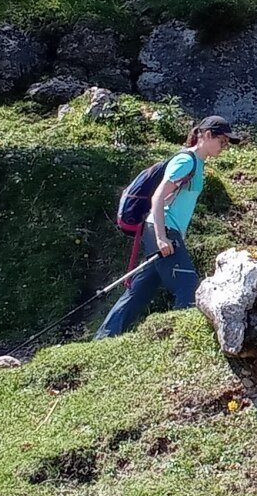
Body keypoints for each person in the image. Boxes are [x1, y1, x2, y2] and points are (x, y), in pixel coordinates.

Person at [96, 115, 236, 339]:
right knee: (187, 285)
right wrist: (161, 237)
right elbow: (158, 196)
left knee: (140, 290)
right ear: (208, 135)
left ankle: (103, 338)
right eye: (223, 141)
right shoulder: (186, 161)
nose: (224, 146)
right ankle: (183, 341)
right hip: (162, 229)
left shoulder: (198, 163)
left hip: (165, 230)